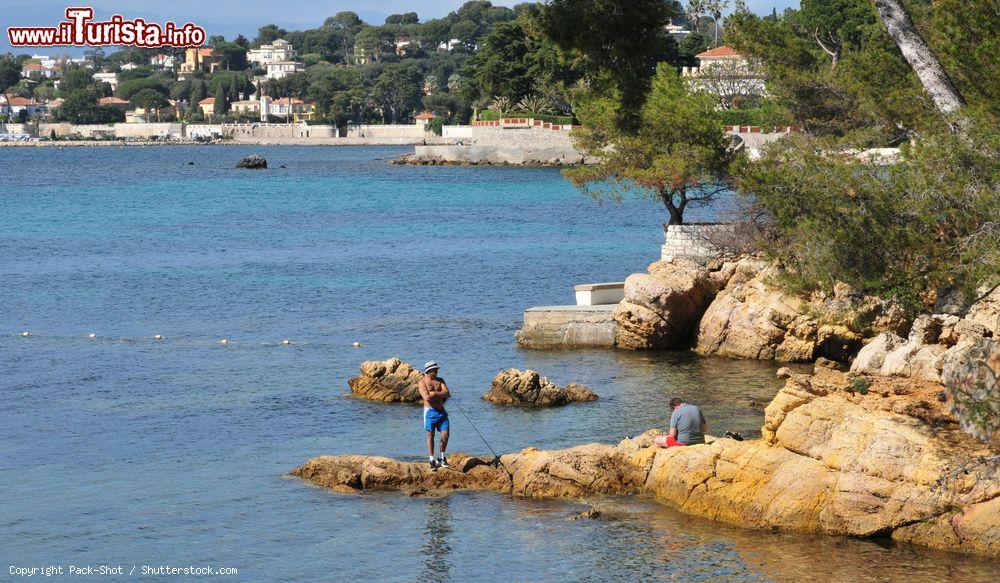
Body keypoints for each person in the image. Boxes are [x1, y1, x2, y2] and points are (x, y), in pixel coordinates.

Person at [419, 361, 451, 471]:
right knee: (430, 435)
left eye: (437, 369)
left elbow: (447, 393)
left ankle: (442, 458)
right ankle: (432, 460)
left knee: (445, 435)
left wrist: (435, 394)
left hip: (441, 411)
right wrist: (440, 395)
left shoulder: (440, 380)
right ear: (429, 371)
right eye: (434, 370)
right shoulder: (422, 382)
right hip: (430, 412)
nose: (437, 371)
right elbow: (426, 398)